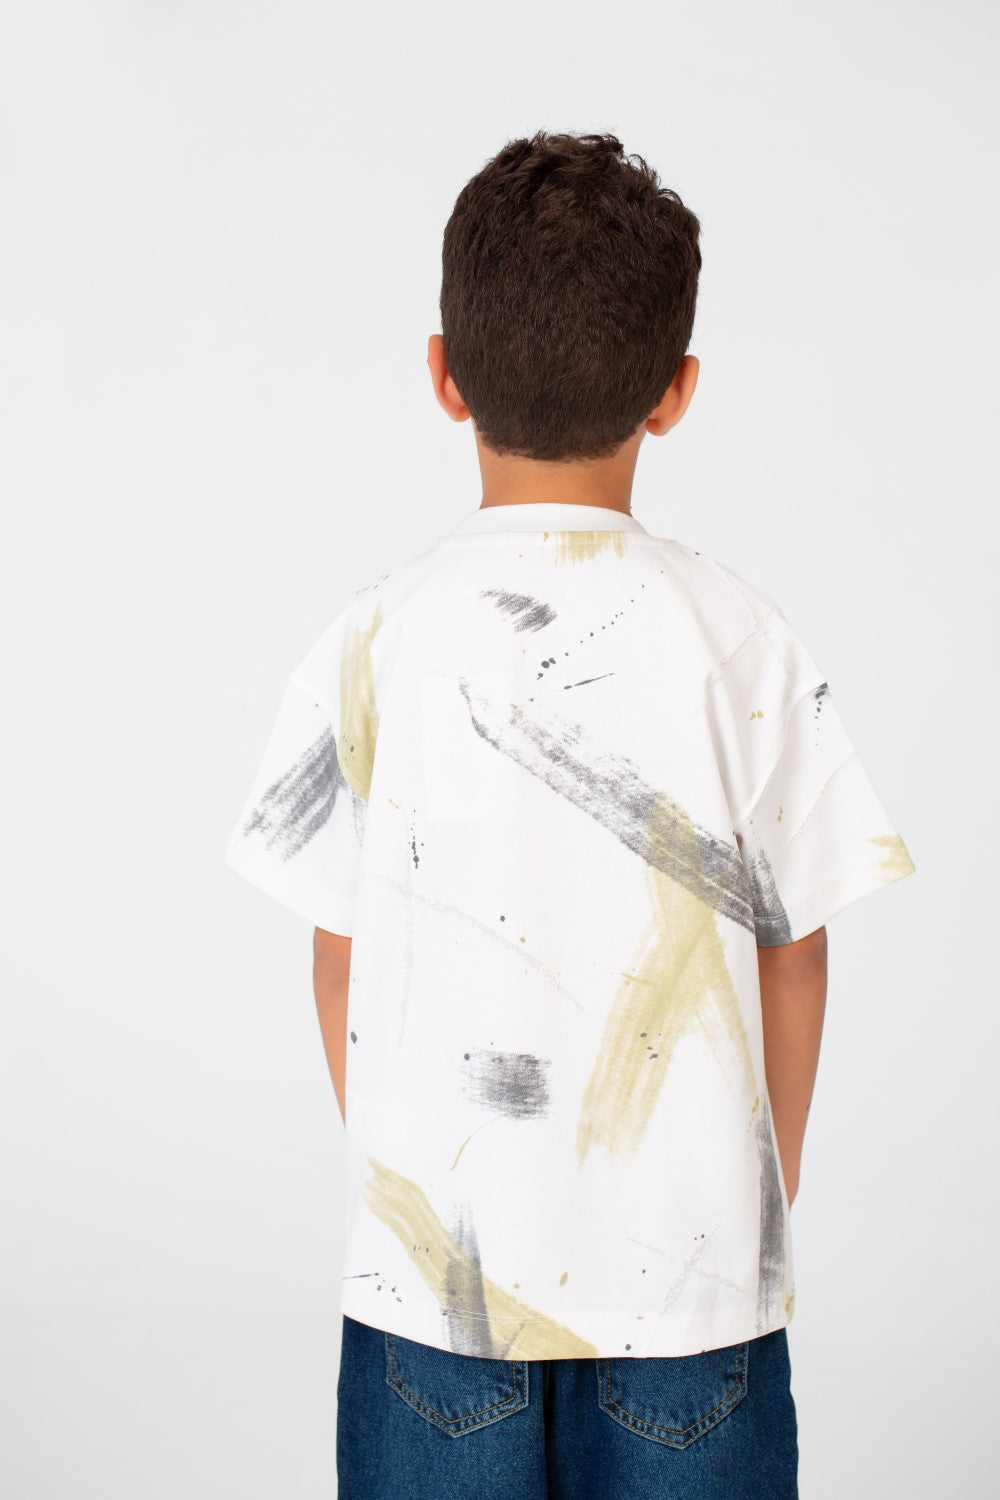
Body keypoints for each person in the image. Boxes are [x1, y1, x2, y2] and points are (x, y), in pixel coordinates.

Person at [223, 130, 915, 1499]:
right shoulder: (742, 640)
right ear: (676, 393)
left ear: (443, 375)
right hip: (694, 1298)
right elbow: (799, 951)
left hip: (437, 1298)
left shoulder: (374, 638)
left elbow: (338, 954)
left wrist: (411, 1171)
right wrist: (752, 1198)